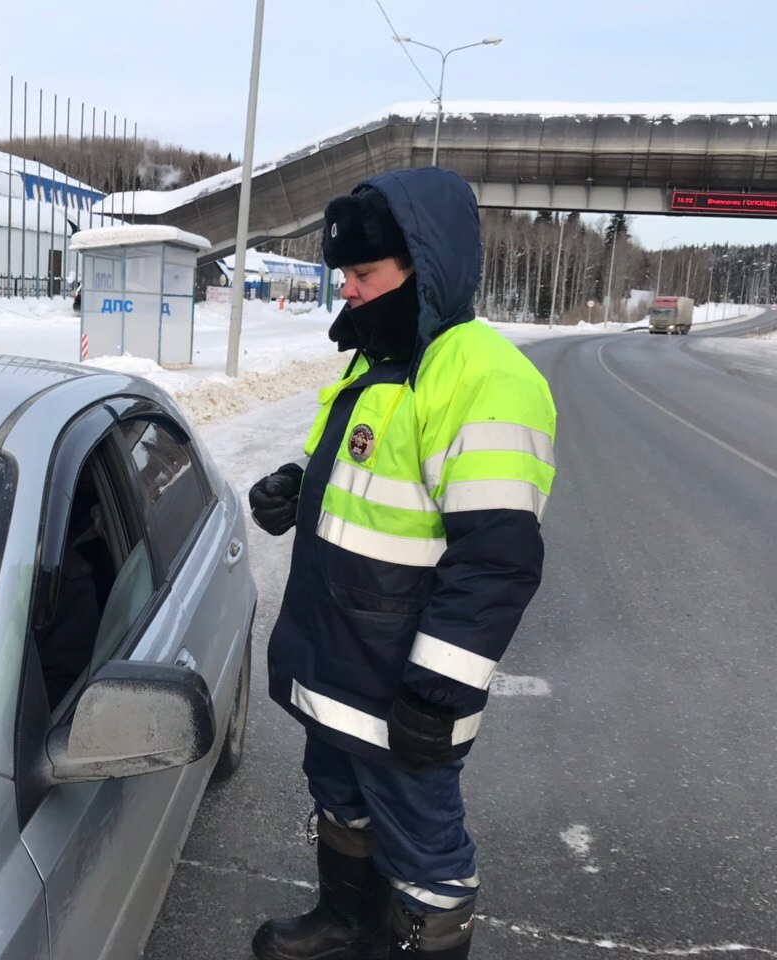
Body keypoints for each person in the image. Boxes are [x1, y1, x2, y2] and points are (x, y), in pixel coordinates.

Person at [248, 168, 557, 960]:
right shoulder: (375, 362)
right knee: (340, 801)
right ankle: (346, 921)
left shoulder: (483, 377)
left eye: (364, 274)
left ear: (424, 265)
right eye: (344, 276)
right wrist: (297, 484)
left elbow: (496, 559)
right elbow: (355, 467)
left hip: (403, 682)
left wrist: (440, 691)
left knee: (425, 849)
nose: (347, 292)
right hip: (338, 660)